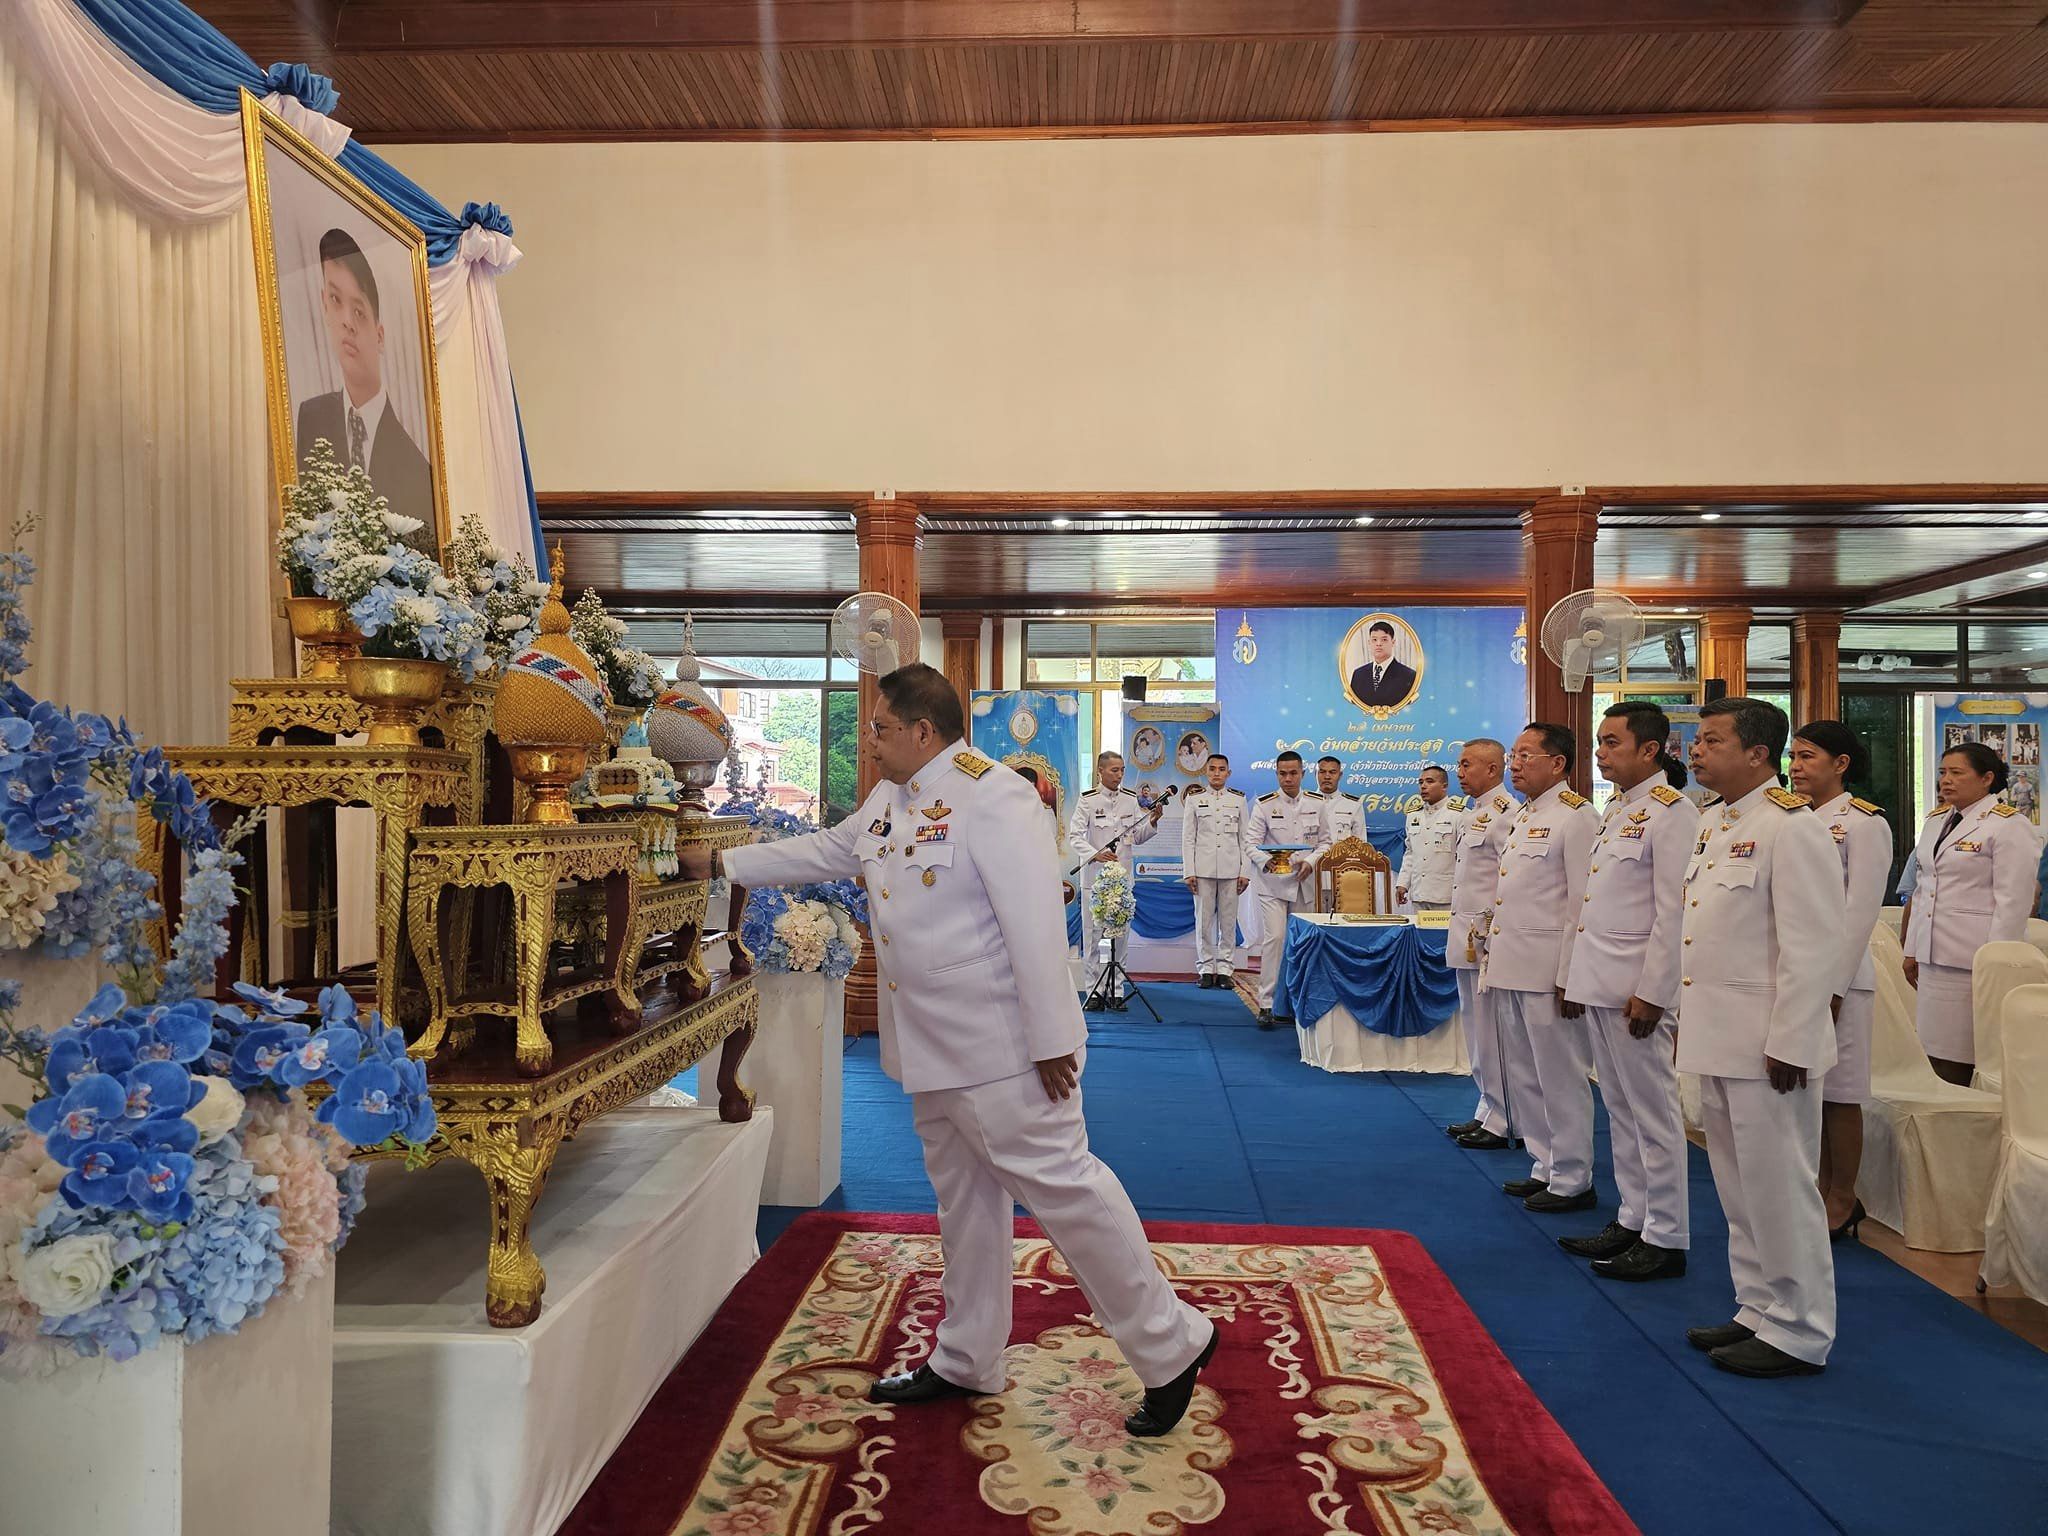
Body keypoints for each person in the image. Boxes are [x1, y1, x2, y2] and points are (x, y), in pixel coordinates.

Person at [694, 664, 1217, 1433]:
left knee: (1068, 1194)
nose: (869, 742)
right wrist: (721, 864)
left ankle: (1172, 1343)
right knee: (965, 1202)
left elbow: (1036, 921)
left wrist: (1050, 1037)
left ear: (922, 731)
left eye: (879, 727)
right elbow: (832, 851)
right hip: (929, 1046)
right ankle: (968, 1354)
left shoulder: (992, 794)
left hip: (1003, 1045)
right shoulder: (890, 799)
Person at [1680, 696, 1843, 1378]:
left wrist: (1794, 1042)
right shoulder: (1718, 823)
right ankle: (1757, 1308)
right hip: (1720, 1036)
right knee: (1740, 1188)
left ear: (1756, 753)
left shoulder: (1791, 827)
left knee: (1781, 1186)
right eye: (1696, 740)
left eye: (1711, 740)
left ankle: (1802, 1329)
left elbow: (1814, 946)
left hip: (1767, 1044)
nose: (1695, 750)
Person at [1555, 703, 1694, 1280]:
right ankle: (1633, 1216)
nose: (1601, 752)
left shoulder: (1673, 812)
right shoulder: (1618, 810)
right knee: (1620, 1108)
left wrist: (1654, 991)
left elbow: (1673, 911)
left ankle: (1666, 1234)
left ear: (1650, 750)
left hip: (1637, 989)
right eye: (1600, 742)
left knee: (1654, 1112)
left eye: (1612, 742)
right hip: (1602, 981)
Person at [1481, 724, 1599, 1213]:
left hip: (1549, 970)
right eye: (1513, 755)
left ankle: (1573, 1176)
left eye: (1526, 755)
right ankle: (1544, 1163)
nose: (1515, 764)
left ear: (1558, 763)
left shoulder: (1577, 817)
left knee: (1560, 1074)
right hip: (1512, 964)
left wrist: (1569, 975)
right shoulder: (1526, 815)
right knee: (1526, 1071)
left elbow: (1580, 903)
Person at [1788, 720, 1893, 1241]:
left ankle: (1843, 1197)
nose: (1797, 766)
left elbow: (1860, 913)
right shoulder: (1795, 818)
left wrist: (1832, 986)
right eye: (1794, 756)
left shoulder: (1862, 824)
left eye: (1808, 756)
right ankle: (1817, 1189)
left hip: (1842, 979)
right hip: (1800, 976)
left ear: (1841, 764)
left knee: (1840, 1092)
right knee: (1810, 1089)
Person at [1900, 741, 2037, 1083]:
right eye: (1943, 772)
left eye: (1957, 773)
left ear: (1987, 778)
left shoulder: (2008, 825)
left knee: (1969, 1057)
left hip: (1973, 960)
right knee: (1933, 1052)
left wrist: (1995, 964)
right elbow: (1924, 887)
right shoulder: (1936, 821)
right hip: (1933, 956)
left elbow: (2013, 901)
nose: (1946, 780)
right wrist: (1912, 949)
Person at [295, 228, 436, 553]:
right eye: (335, 300)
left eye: (359, 311)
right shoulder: (311, 417)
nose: (347, 321)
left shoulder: (414, 465)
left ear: (380, 335)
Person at [1444, 739, 1518, 1148]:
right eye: (1459, 764)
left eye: (1467, 764)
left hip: (1487, 941)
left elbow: (1509, 881)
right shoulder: (1473, 814)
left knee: (1493, 1034)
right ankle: (1488, 1108)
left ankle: (1504, 1117)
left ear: (1493, 769)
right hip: (1466, 938)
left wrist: (1494, 934)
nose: (1460, 771)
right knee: (1475, 1030)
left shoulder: (1506, 814)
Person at [1068, 751, 1163, 1012]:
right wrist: (1094, 854)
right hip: (1095, 881)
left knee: (1120, 937)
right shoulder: (1088, 800)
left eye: (1122, 770)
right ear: (1100, 771)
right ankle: (1094, 990)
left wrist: (1153, 821)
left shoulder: (1130, 800)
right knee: (1093, 936)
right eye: (1114, 770)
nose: (1119, 775)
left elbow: (1138, 836)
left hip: (1122, 881)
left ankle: (1117, 990)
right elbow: (1075, 836)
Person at [1244, 750, 1325, 1029]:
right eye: (1282, 773)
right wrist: (1268, 862)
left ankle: (1295, 1002)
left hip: (1304, 883)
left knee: (1301, 943)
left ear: (1303, 773)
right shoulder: (1264, 805)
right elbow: (1250, 843)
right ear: (1276, 774)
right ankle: (1267, 1003)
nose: (1288, 778)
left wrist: (1312, 861)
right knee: (1275, 939)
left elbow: (1327, 842)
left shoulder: (1318, 803)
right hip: (1273, 885)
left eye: (1293, 773)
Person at [1181, 754, 1250, 989]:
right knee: (1203, 922)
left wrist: (1245, 871)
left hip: (1231, 869)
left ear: (1228, 773)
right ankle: (1205, 968)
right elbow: (1188, 839)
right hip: (1202, 869)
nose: (1217, 773)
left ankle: (1225, 969)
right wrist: (1189, 871)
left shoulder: (1239, 800)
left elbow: (1245, 839)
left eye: (1222, 769)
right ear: (1205, 772)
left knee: (1228, 923)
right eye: (1212, 769)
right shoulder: (1194, 799)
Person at [1397, 764, 1459, 911]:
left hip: (1446, 895)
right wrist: (1403, 883)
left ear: (1444, 786)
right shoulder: (1413, 815)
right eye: (1421, 782)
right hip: (1419, 893)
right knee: (1419, 933)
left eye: (1430, 781)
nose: (1423, 786)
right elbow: (1410, 853)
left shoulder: (1458, 815)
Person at [1310, 754, 1369, 864]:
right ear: (1315, 774)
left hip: (1341, 869)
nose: (1327, 776)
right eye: (1322, 772)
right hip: (1310, 869)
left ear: (1340, 775)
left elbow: (1360, 844)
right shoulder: (1305, 802)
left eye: (1332, 772)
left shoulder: (1353, 805)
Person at [1348, 619, 1418, 708]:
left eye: (1384, 639)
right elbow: (1352, 707)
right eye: (1374, 639)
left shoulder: (1409, 675)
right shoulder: (1358, 674)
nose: (1378, 644)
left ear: (1393, 642)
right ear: (1369, 643)